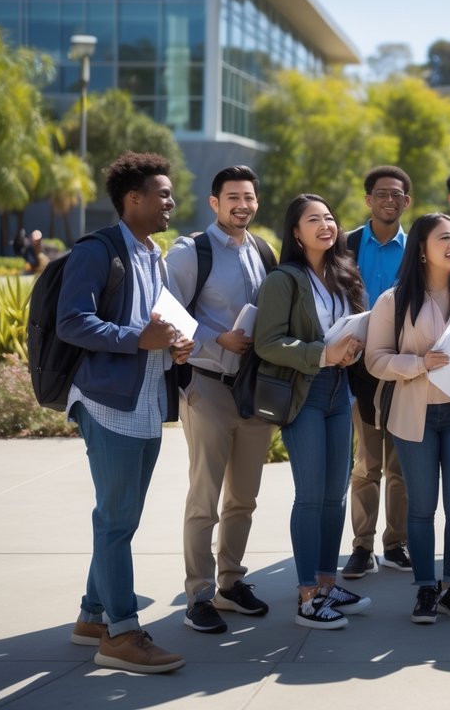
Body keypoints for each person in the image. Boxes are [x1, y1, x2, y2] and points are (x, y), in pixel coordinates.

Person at [59, 151, 192, 673]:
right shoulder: (98, 249)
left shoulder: (152, 253)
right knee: (116, 521)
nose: (170, 202)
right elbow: (73, 321)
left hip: (147, 397)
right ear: (132, 199)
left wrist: (172, 343)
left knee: (122, 518)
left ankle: (93, 615)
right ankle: (119, 634)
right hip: (108, 401)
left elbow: (152, 321)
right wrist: (138, 339)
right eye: (162, 194)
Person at [365, 213, 450, 624]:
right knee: (422, 506)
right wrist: (419, 363)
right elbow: (375, 359)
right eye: (443, 238)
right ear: (422, 250)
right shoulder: (393, 300)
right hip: (414, 416)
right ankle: (426, 588)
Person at [165, 166, 277, 634]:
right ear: (215, 203)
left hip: (255, 392)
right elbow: (166, 313)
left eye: (249, 197)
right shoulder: (192, 252)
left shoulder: (263, 251)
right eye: (233, 197)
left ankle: (231, 583)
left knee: (243, 499)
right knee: (204, 499)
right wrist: (217, 340)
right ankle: (198, 595)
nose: (242, 205)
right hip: (207, 386)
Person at [255, 194, 371, 629]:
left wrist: (352, 350)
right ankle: (307, 596)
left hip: (341, 392)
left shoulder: (344, 273)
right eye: (313, 219)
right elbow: (268, 343)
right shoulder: (284, 279)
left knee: (335, 494)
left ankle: (327, 583)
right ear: (296, 231)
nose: (325, 225)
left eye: (329, 217)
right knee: (309, 495)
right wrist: (324, 353)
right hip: (303, 392)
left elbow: (354, 330)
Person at [341, 166, 413, 579]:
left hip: (405, 367)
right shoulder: (346, 244)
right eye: (381, 194)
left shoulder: (419, 247)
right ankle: (362, 546)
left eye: (397, 195)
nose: (389, 201)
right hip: (360, 369)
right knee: (366, 463)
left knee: (399, 464)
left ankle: (396, 543)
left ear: (407, 201)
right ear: (368, 200)